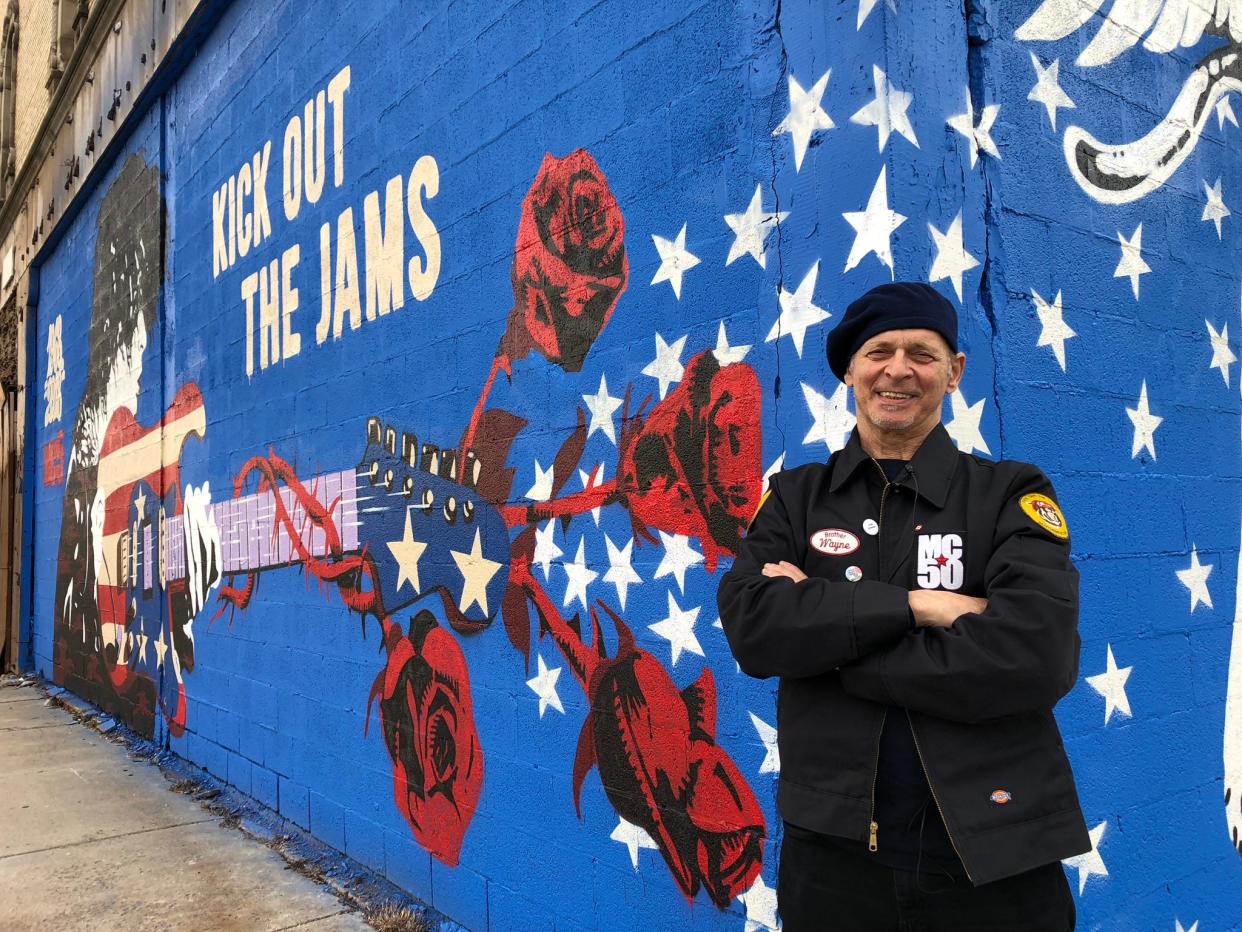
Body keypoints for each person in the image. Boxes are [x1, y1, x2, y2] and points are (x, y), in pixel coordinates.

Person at [718, 282, 1091, 931]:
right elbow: (755, 629)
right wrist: (923, 605)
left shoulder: (1009, 494)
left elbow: (1036, 655)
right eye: (879, 351)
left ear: (955, 372)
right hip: (832, 865)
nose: (898, 369)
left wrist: (837, 656)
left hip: (997, 856)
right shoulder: (794, 499)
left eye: (921, 352)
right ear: (850, 372)